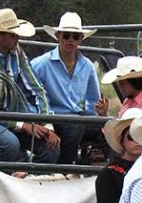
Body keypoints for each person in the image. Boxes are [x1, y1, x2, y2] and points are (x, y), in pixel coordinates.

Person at [0, 8, 60, 164]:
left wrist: (46, 123)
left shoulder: (16, 51)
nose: (17, 38)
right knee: (9, 144)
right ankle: (4, 175)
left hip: (10, 117)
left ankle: (26, 178)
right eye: (13, 34)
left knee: (50, 145)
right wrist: (22, 125)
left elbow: (37, 88)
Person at [31, 12, 103, 164]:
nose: (71, 40)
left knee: (109, 127)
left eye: (75, 36)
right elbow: (30, 96)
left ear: (81, 39)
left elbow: (92, 101)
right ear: (58, 36)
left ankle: (105, 172)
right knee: (75, 125)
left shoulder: (88, 66)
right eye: (67, 35)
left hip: (77, 119)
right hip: (50, 117)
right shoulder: (40, 64)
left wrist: (99, 114)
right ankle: (67, 168)